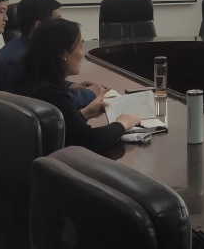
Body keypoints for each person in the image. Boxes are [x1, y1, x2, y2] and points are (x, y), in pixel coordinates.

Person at [14, 19, 138, 153]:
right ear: (62, 53)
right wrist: (122, 124)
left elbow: (61, 130)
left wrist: (85, 114)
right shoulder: (51, 93)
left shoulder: (28, 79)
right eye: (80, 47)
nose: (83, 54)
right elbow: (89, 141)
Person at [0, 0, 101, 106]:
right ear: (39, 26)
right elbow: (52, 102)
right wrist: (90, 93)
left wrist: (72, 87)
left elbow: (43, 84)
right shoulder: (20, 58)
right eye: (58, 20)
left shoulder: (26, 46)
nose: (62, 24)